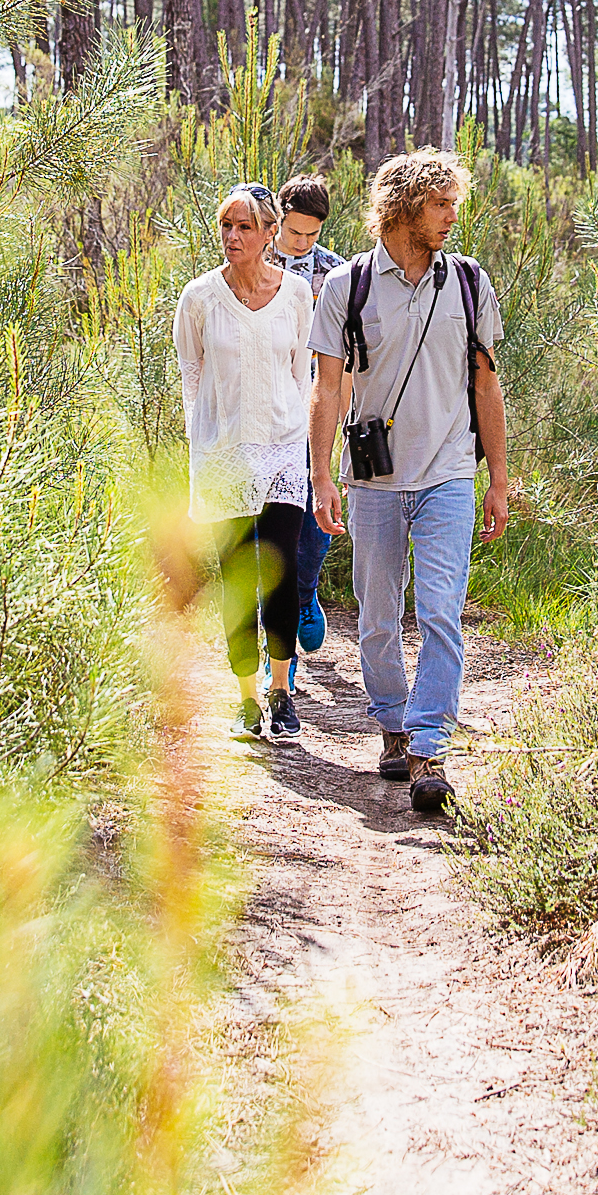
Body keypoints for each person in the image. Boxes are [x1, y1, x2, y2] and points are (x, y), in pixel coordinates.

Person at [306, 149, 511, 818]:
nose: (451, 216)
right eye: (440, 204)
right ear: (402, 208)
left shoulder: (469, 282)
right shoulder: (349, 286)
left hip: (449, 472)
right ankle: (392, 720)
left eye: (453, 203)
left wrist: (498, 477)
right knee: (376, 614)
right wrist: (321, 475)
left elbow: (486, 384)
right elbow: (328, 388)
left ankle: (428, 746)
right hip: (375, 478)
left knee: (441, 610)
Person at [175, 183, 322, 741]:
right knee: (237, 576)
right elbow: (192, 375)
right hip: (224, 454)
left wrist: (297, 439)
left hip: (283, 450)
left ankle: (281, 691)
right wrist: (208, 441)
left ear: (269, 234)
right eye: (226, 225)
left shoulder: (297, 295)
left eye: (244, 227)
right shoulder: (200, 297)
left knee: (279, 571)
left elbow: (302, 373)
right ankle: (246, 698)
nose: (232, 236)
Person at [268, 176, 343, 665]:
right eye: (294, 232)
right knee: (270, 520)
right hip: (264, 409)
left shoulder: (334, 272)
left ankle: (304, 593)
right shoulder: (255, 260)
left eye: (311, 234)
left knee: (316, 514)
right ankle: (275, 646)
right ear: (278, 220)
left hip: (315, 408)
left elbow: (348, 353)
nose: (302, 242)